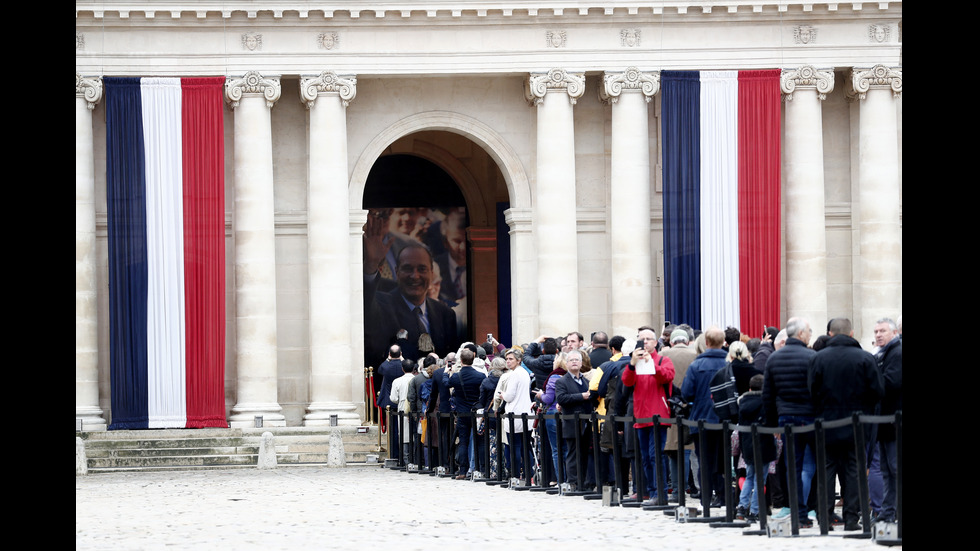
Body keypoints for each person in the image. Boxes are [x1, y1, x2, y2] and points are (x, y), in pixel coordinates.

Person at [808, 317, 884, 531]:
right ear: (851, 334)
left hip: (826, 423)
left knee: (827, 470)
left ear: (830, 334)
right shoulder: (865, 358)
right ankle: (852, 518)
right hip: (857, 424)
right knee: (854, 470)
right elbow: (878, 391)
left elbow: (812, 391)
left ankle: (825, 517)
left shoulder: (818, 358)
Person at [363, 212, 460, 366]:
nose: (415, 276)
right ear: (397, 272)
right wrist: (371, 265)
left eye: (422, 269)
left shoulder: (446, 314)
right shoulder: (381, 305)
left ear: (431, 273)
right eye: (407, 268)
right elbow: (366, 301)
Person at [762, 317, 817, 527]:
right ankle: (815, 510)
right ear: (801, 334)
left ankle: (798, 513)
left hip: (786, 418)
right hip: (811, 418)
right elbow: (818, 390)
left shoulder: (774, 358)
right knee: (817, 465)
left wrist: (772, 423)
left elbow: (768, 395)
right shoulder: (812, 356)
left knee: (792, 467)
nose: (810, 334)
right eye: (809, 331)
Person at [622, 328, 675, 503]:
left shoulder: (663, 360)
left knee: (655, 455)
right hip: (640, 416)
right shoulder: (634, 363)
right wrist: (632, 364)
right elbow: (626, 382)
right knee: (645, 457)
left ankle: (658, 493)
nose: (644, 342)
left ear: (655, 342)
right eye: (641, 339)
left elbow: (667, 376)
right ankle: (652, 491)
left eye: (648, 339)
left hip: (658, 416)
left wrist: (651, 365)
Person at [682, 326, 728, 509]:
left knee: (704, 461)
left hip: (701, 418)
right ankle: (724, 496)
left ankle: (706, 499)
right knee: (723, 461)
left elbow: (687, 393)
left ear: (706, 343)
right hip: (724, 419)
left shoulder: (696, 365)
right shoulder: (728, 363)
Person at [555, 349, 597, 491]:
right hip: (572, 423)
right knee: (573, 453)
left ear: (581, 363)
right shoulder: (562, 381)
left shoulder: (586, 381)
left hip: (586, 423)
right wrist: (581, 396)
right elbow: (561, 398)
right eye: (571, 360)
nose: (574, 362)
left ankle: (584, 482)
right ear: (566, 364)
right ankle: (572, 481)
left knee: (585, 453)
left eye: (577, 360)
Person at [873, 318, 902, 524]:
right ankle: (887, 512)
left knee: (894, 468)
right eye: (875, 331)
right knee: (886, 470)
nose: (878, 334)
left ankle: (893, 511)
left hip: (895, 421)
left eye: (882, 331)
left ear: (894, 332)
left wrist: (869, 378)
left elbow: (891, 382)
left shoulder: (897, 353)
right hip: (884, 421)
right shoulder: (882, 353)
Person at [448, 348, 486, 479]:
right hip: (476, 412)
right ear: (473, 358)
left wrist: (447, 372)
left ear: (461, 360)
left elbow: (446, 383)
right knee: (480, 441)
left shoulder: (456, 377)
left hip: (462, 412)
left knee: (463, 442)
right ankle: (481, 469)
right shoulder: (480, 376)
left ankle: (463, 471)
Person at [390, 358, 416, 462]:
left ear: (402, 369)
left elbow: (393, 398)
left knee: (405, 434)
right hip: (415, 409)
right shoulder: (416, 379)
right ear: (414, 368)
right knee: (414, 434)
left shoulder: (397, 381)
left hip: (402, 408)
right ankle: (414, 458)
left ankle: (405, 459)